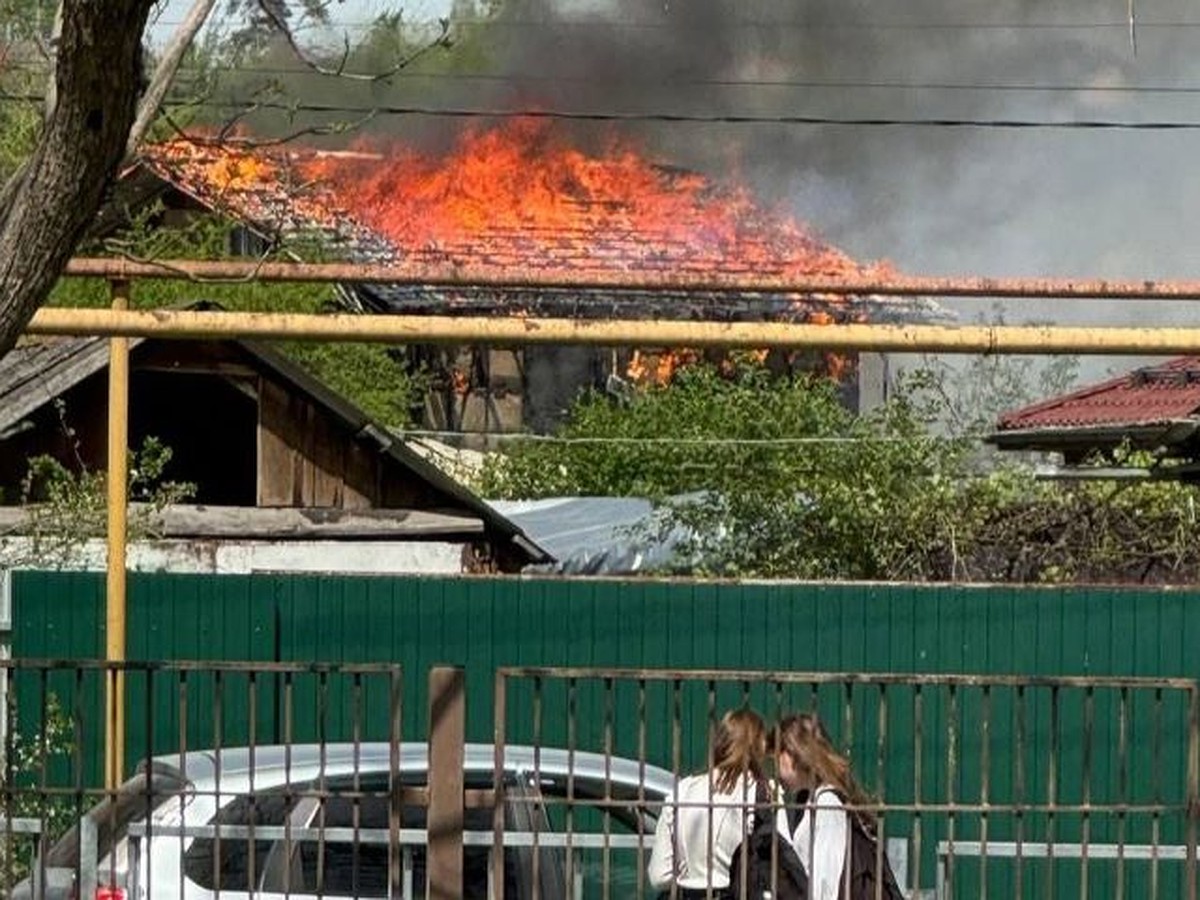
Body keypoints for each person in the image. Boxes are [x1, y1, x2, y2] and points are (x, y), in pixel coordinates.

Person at [648, 708, 770, 899]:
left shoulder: (683, 790)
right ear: (758, 747)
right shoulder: (760, 794)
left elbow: (659, 876)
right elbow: (778, 868)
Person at [771, 713, 878, 900]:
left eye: (776, 756)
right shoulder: (811, 801)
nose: (774, 766)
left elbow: (826, 882)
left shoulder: (827, 803)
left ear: (792, 753)